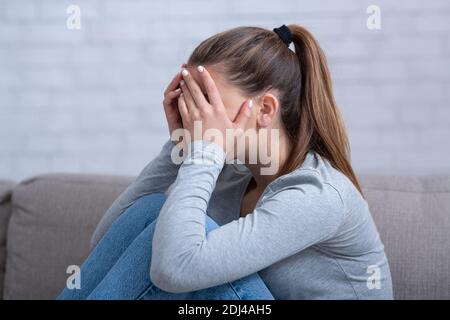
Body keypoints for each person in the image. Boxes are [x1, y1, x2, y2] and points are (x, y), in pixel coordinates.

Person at [58, 24, 393, 300]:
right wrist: (178, 147)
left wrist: (203, 152)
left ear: (265, 110)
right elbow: (105, 243)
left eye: (208, 101)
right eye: (190, 99)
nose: (196, 115)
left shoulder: (317, 194)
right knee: (154, 211)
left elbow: (175, 267)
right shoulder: (232, 177)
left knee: (187, 239)